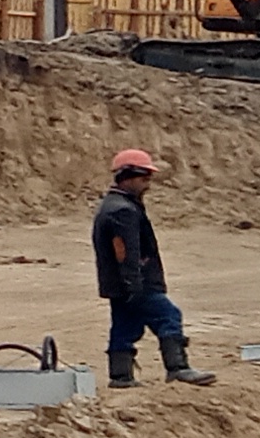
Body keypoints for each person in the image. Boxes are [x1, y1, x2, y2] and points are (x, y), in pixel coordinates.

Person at [90, 148, 212, 386]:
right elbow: (125, 252)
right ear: (128, 176)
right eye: (144, 177)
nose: (149, 183)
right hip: (136, 282)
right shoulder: (123, 210)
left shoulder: (116, 205)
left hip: (122, 283)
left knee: (125, 326)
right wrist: (134, 285)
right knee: (169, 316)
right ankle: (178, 367)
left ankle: (121, 376)